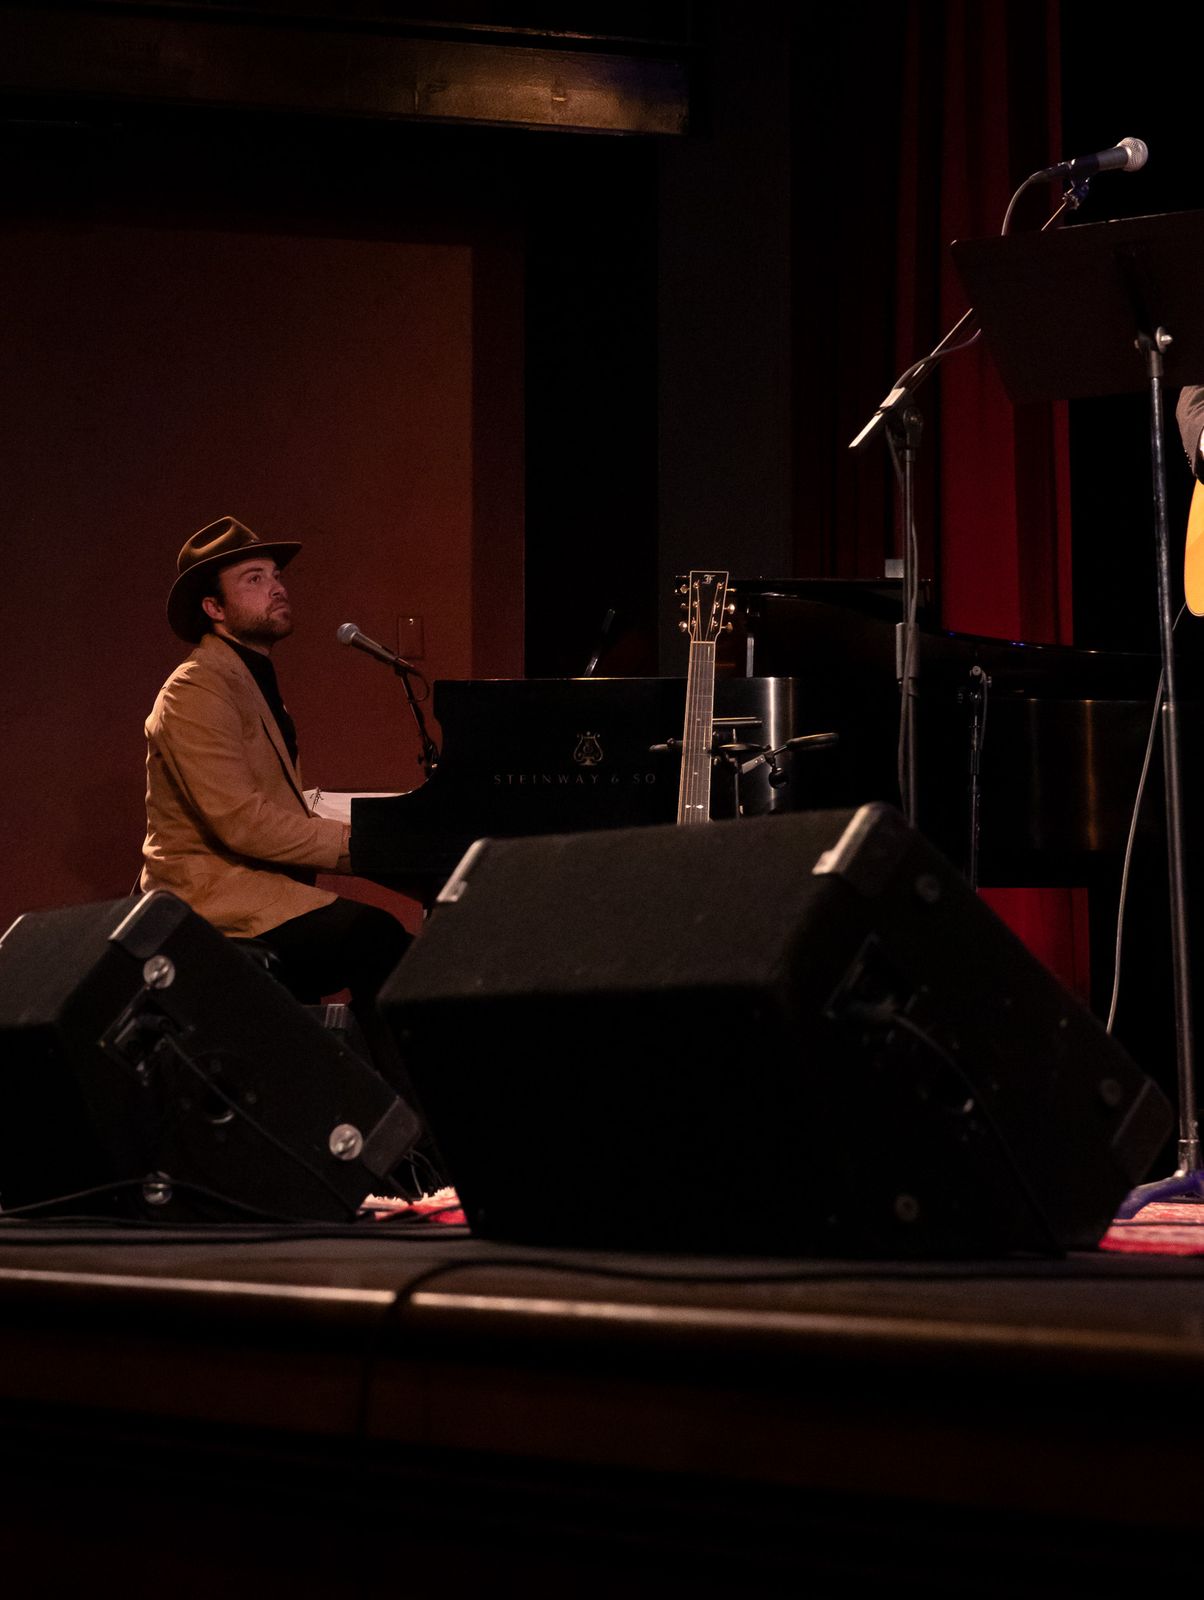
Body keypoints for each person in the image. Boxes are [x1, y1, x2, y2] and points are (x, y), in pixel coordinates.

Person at [140, 515, 412, 1022]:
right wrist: (371, 843)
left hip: (259, 893)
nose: (278, 588)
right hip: (211, 903)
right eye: (254, 579)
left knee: (386, 944)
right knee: (379, 940)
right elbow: (243, 822)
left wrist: (392, 834)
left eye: (276, 576)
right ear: (214, 608)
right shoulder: (195, 689)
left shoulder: (248, 681)